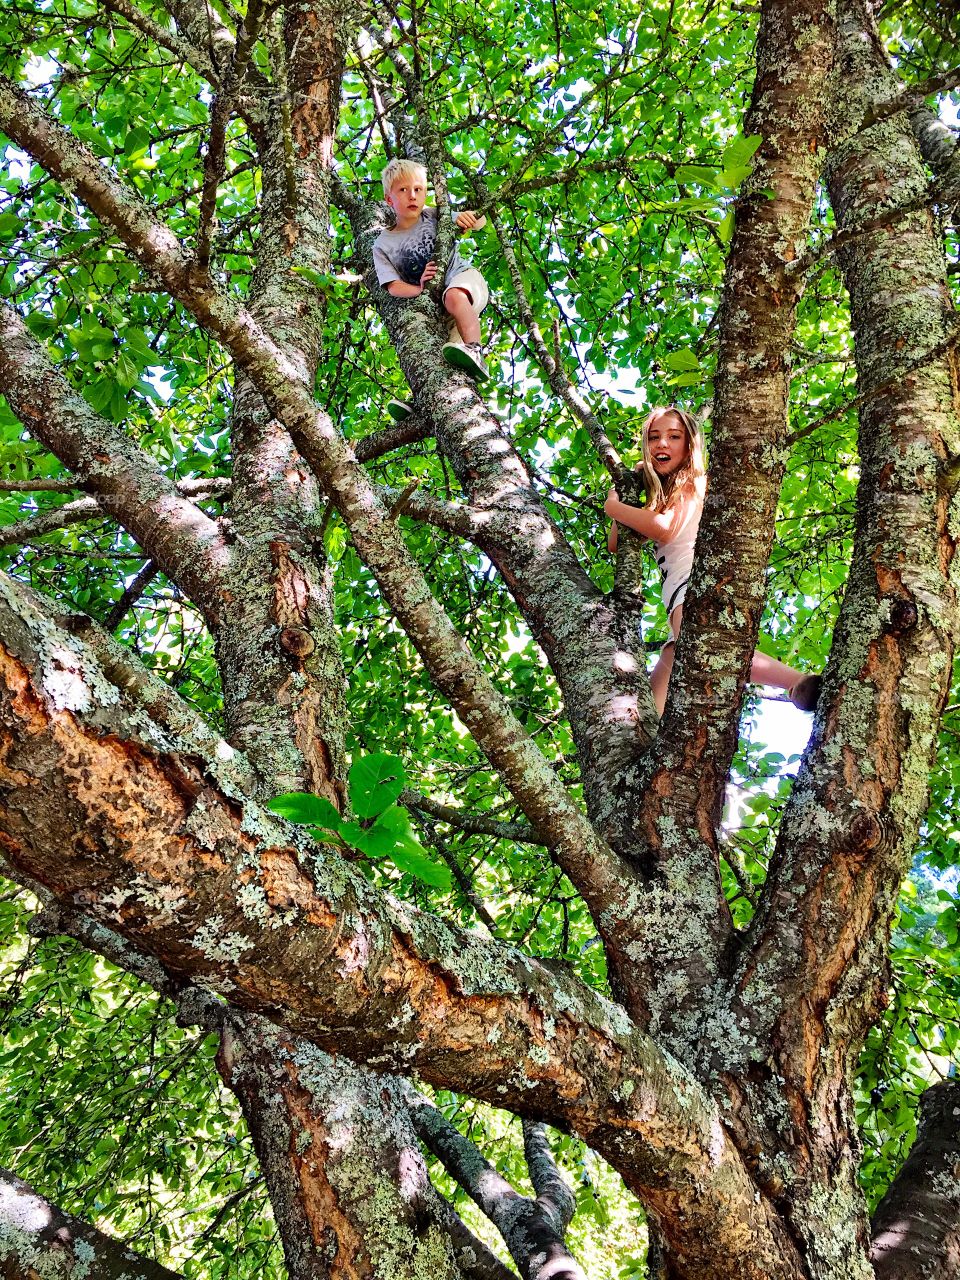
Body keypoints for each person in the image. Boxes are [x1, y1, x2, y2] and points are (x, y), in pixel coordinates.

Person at [604, 405, 822, 717]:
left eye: (673, 437)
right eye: (654, 438)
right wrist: (627, 489)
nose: (662, 444)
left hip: (691, 586)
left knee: (711, 649)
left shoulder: (693, 482)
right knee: (648, 713)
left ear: (689, 445)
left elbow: (664, 529)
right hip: (676, 601)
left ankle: (798, 682)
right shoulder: (661, 498)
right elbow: (617, 543)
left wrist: (612, 507)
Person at [374, 159, 489, 421]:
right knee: (429, 347)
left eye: (418, 189)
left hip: (464, 282)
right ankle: (423, 400)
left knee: (453, 295)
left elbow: (478, 222)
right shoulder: (383, 243)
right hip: (439, 307)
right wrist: (419, 289)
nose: (412, 196)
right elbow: (392, 286)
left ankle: (476, 348)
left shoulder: (433, 215)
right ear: (389, 199)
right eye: (402, 190)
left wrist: (469, 217)